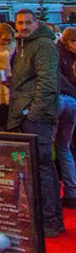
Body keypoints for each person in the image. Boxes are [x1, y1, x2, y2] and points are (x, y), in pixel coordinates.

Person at [7, 9, 63, 237]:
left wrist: (33, 112)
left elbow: (47, 81)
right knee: (35, 170)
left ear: (36, 23)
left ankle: (50, 220)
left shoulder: (42, 45)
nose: (23, 26)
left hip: (35, 116)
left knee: (42, 168)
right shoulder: (24, 45)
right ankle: (46, 219)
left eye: (28, 22)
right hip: (24, 112)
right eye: (20, 23)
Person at [58, 27, 76, 208]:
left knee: (63, 148)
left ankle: (71, 191)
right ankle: (70, 191)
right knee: (65, 147)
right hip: (67, 100)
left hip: (65, 101)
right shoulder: (59, 55)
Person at [0, 22, 16, 125]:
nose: (6, 43)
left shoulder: (16, 48)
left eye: (9, 40)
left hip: (12, 87)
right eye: (4, 39)